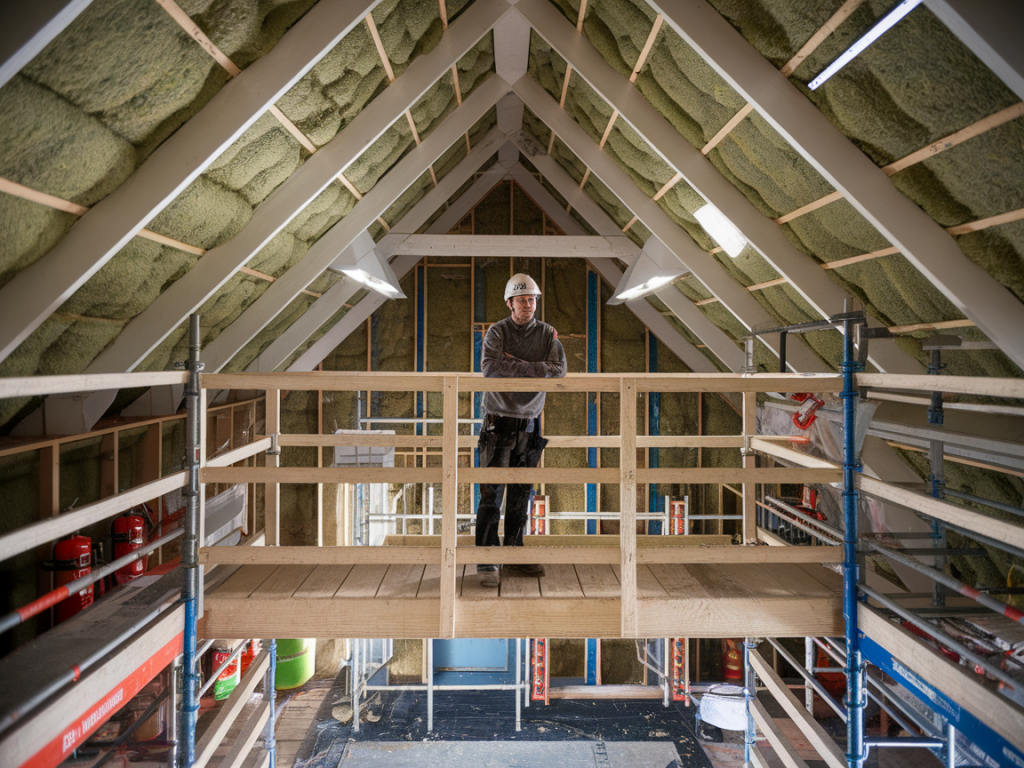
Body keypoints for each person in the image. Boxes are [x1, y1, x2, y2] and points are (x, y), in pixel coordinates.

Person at [476, 273, 567, 587]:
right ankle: (487, 561)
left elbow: (558, 370)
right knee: (491, 495)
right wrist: (535, 367)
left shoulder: (547, 333)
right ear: (509, 303)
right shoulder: (497, 332)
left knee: (520, 494)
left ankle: (514, 556)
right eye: (522, 300)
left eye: (532, 299)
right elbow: (490, 369)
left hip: (529, 423)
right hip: (497, 423)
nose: (528, 304)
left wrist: (513, 363)